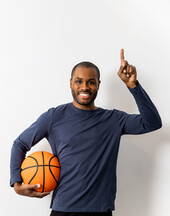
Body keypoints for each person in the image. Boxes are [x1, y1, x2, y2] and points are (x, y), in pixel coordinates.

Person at [10, 49, 162, 216]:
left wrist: (133, 85)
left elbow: (152, 123)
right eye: (79, 81)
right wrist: (16, 184)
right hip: (63, 209)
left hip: (100, 210)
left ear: (98, 84)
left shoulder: (113, 119)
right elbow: (20, 144)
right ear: (70, 83)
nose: (84, 87)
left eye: (91, 82)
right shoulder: (54, 117)